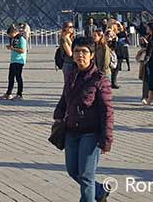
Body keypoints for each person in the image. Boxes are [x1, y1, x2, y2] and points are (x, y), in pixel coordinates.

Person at [53, 35, 113, 202]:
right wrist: (58, 114)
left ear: (92, 55)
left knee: (86, 177)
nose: (80, 55)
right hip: (72, 131)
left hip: (91, 133)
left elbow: (107, 110)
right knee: (73, 171)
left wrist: (106, 139)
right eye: (77, 51)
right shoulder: (71, 75)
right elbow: (65, 97)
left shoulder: (100, 79)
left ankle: (92, 196)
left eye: (84, 52)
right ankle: (100, 191)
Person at [1, 24, 27, 100]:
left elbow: (22, 50)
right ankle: (8, 93)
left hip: (19, 61)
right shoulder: (14, 39)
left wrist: (12, 48)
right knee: (10, 77)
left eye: (10, 34)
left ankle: (19, 94)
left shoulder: (21, 39)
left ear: (14, 32)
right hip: (13, 60)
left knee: (18, 77)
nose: (10, 36)